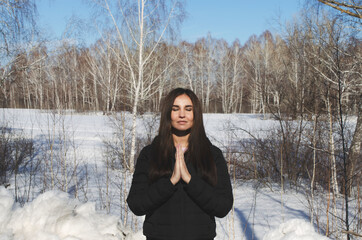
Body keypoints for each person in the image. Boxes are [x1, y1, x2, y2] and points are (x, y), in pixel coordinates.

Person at [127, 88, 233, 240]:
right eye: (175, 109)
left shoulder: (212, 155)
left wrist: (190, 180)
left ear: (195, 114)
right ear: (167, 114)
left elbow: (223, 207)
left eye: (188, 109)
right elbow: (136, 205)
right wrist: (170, 182)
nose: (182, 114)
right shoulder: (150, 154)